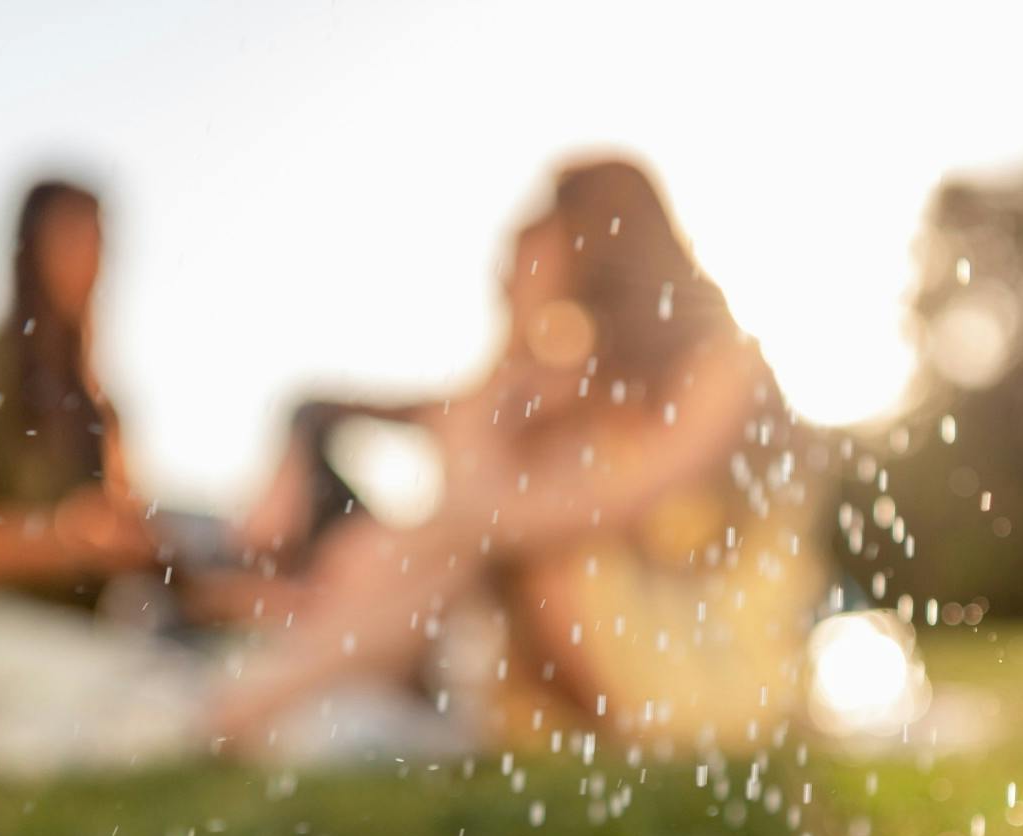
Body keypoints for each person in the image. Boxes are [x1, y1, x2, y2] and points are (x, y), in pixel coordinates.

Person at [205, 156, 826, 756]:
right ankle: (259, 701)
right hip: (600, 654)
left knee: (503, 530)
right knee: (465, 528)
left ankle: (252, 704)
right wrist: (515, 330)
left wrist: (411, 542)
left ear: (599, 242)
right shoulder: (577, 378)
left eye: (549, 236)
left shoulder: (722, 366)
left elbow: (592, 506)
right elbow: (459, 450)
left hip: (707, 662)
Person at [0, 178, 209, 776]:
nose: (96, 261)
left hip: (66, 650)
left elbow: (135, 533)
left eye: (104, 242)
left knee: (161, 706)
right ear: (30, 250)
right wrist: (67, 539)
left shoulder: (104, 407)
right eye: (77, 239)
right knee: (165, 709)